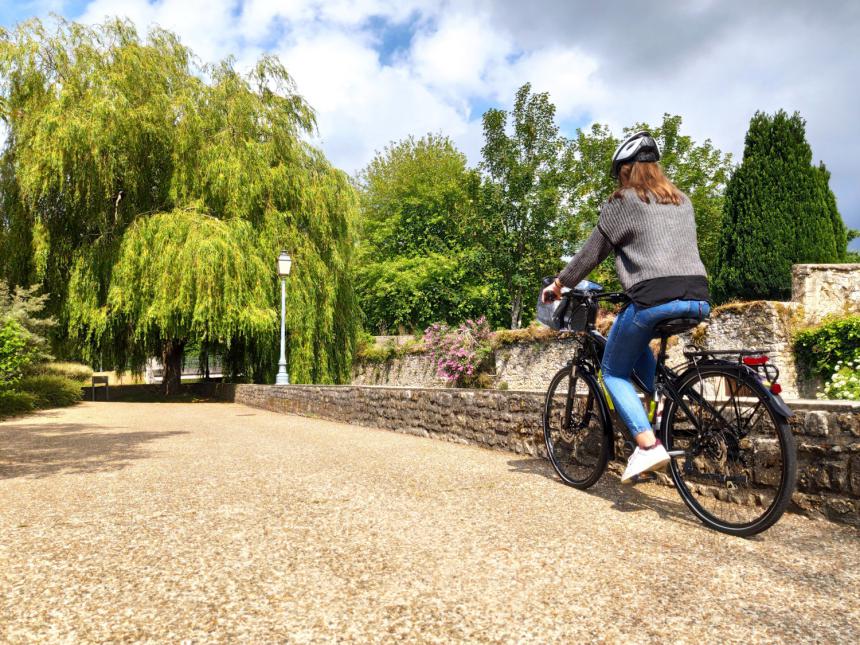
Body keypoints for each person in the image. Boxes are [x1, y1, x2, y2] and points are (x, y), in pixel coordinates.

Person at [542, 131, 711, 484]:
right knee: (633, 342)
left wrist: (558, 285)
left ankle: (648, 447)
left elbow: (592, 253)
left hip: (652, 299)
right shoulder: (683, 200)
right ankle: (663, 399)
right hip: (698, 297)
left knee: (612, 372)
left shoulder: (623, 200)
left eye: (620, 173)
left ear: (626, 170)